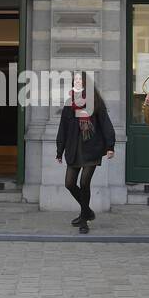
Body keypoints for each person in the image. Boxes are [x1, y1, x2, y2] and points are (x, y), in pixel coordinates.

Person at [55, 72, 115, 234]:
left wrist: (110, 146)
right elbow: (63, 129)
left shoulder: (95, 103)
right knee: (69, 183)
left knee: (84, 183)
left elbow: (106, 124)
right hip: (74, 150)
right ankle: (87, 210)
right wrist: (59, 150)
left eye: (80, 79)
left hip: (91, 149)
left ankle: (84, 220)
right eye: (75, 80)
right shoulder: (69, 103)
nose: (77, 82)